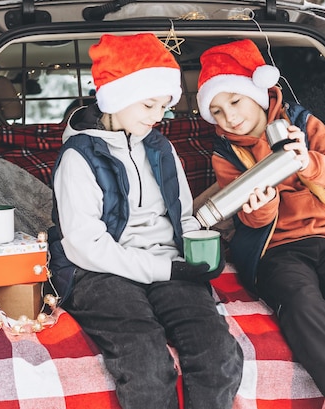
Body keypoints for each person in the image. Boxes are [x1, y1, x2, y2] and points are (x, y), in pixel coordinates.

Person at [196, 39, 325, 409]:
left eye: (235, 101)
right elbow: (250, 220)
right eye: (217, 111)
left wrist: (307, 162)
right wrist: (265, 203)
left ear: (257, 94)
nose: (229, 117)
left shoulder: (303, 123)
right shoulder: (226, 153)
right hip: (277, 251)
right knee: (305, 308)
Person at [48, 33, 243, 409]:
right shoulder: (79, 158)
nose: (158, 117)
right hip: (98, 271)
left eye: (164, 106)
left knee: (218, 352)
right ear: (117, 98)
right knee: (146, 363)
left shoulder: (161, 148)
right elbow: (85, 244)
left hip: (167, 263)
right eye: (149, 104)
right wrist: (163, 269)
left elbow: (182, 215)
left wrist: (200, 249)